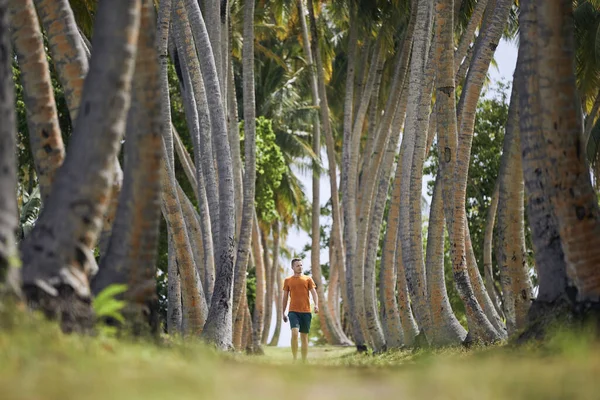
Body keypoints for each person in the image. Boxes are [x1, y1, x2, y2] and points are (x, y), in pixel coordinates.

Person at [282, 258, 318, 363]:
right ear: (292, 267)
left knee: (304, 337)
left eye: (301, 265)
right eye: (297, 265)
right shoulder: (288, 280)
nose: (300, 267)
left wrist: (316, 305)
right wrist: (283, 312)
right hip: (293, 311)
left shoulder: (308, 279)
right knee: (294, 333)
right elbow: (285, 297)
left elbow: (314, 293)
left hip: (306, 312)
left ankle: (304, 360)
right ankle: (294, 358)